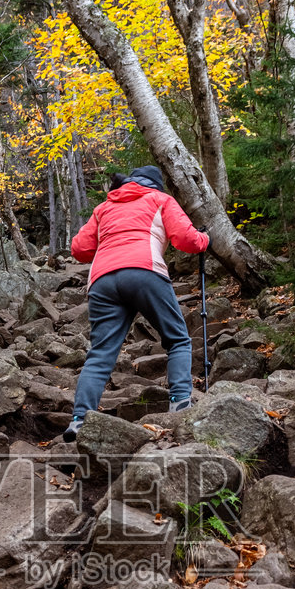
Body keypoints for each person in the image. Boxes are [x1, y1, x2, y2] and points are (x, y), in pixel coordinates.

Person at [63, 164, 209, 442]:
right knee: (177, 339)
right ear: (155, 185)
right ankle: (180, 404)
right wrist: (205, 239)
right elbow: (186, 239)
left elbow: (79, 249)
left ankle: (80, 419)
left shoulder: (105, 207)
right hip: (144, 271)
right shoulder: (160, 199)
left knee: (101, 353)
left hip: (103, 281)